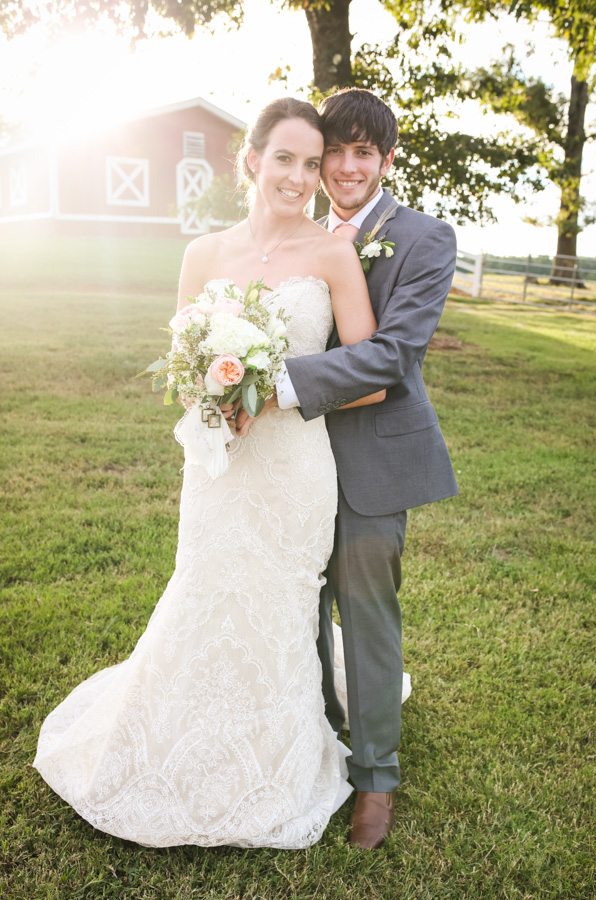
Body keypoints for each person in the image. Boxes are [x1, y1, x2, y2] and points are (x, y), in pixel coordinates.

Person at [32, 97, 387, 849]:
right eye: (282, 158)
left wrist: (275, 378)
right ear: (251, 160)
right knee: (207, 590)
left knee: (279, 606)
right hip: (222, 466)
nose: (297, 176)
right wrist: (219, 396)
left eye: (310, 162)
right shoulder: (203, 253)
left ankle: (274, 760)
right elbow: (188, 367)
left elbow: (372, 375)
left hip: (294, 469)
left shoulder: (332, 254)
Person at [235, 88, 459, 849]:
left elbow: (393, 357)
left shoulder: (425, 238)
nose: (347, 166)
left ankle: (377, 779)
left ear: (387, 160)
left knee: (364, 615)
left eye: (365, 152)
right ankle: (318, 738)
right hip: (291, 463)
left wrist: (277, 384)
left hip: (371, 461)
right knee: (297, 605)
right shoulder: (303, 233)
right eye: (336, 150)